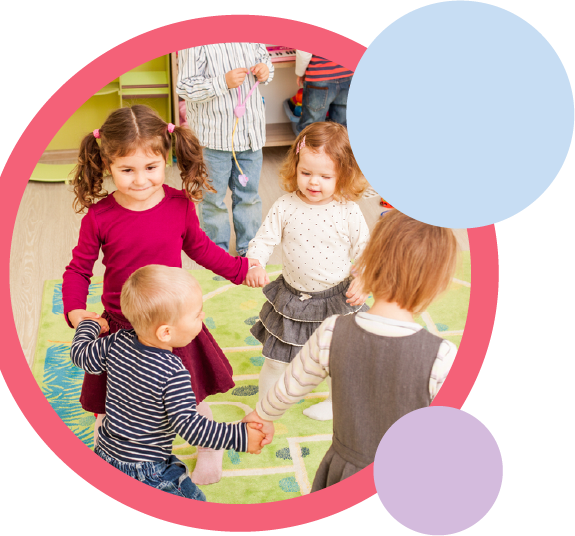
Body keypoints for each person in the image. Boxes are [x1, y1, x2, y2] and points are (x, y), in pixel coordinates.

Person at [63, 104, 259, 485]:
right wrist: (75, 312)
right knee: (109, 399)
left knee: (190, 395)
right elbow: (78, 270)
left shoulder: (178, 205)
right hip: (119, 327)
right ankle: (113, 453)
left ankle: (209, 444)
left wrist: (240, 270)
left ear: (165, 160)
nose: (140, 180)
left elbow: (201, 249)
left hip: (173, 322)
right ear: (107, 166)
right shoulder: (99, 216)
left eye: (151, 168)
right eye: (127, 170)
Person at [244, 209, 460, 491]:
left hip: (341, 472)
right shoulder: (442, 356)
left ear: (368, 262)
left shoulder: (332, 331)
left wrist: (261, 417)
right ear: (437, 286)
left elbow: (290, 386)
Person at [70, 265, 266, 500]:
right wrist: (240, 437)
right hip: (147, 469)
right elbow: (192, 428)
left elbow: (80, 353)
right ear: (165, 332)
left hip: (105, 452)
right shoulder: (174, 373)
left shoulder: (115, 342)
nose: (202, 317)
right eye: (196, 315)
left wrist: (89, 324)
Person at [244, 122, 370, 422]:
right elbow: (263, 240)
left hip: (337, 299)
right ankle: (266, 406)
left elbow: (365, 252)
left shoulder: (348, 210)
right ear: (295, 166)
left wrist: (365, 279)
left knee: (336, 360)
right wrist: (255, 262)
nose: (314, 182)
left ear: (343, 174)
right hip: (292, 299)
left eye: (326, 176)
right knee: (275, 359)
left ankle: (334, 402)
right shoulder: (285, 205)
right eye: (306, 173)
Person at [176, 43, 274, 257]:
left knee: (249, 196)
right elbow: (185, 87)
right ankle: (216, 252)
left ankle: (250, 250)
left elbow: (265, 60)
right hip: (213, 138)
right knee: (213, 199)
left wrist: (265, 71)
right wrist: (222, 82)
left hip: (250, 136)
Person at [294, 50, 354, 134]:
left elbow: (303, 53)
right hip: (348, 75)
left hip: (320, 77)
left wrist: (300, 73)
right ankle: (339, 147)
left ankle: (310, 147)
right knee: (342, 126)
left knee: (312, 126)